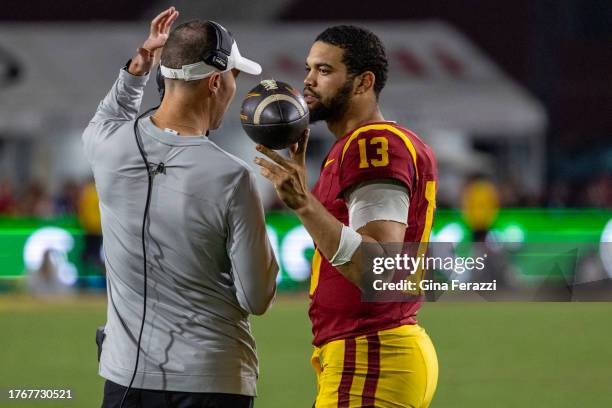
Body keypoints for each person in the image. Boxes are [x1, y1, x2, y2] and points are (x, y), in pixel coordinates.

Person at [82, 7, 278, 408]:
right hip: (215, 377)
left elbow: (113, 112)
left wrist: (139, 66)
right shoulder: (232, 177)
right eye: (234, 77)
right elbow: (257, 297)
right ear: (214, 82)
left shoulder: (105, 144)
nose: (234, 89)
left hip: (126, 379)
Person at [254, 26, 439, 407]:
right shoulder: (364, 144)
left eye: (324, 70)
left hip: (372, 353)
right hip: (373, 350)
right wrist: (307, 203)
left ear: (363, 82)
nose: (307, 80)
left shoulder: (372, 143)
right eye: (308, 69)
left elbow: (380, 269)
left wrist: (305, 204)